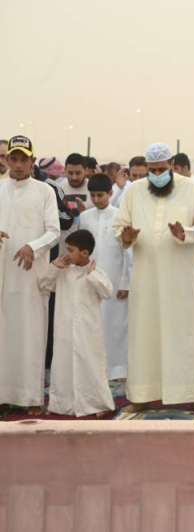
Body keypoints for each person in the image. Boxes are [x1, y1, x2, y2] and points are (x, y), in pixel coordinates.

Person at [113, 142, 194, 416]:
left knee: (184, 334)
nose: (157, 175)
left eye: (162, 169)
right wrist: (126, 237)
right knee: (144, 335)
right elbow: (118, 227)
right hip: (145, 277)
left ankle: (193, 396)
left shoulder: (191, 188)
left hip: (180, 278)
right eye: (152, 170)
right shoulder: (134, 191)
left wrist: (184, 233)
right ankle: (142, 395)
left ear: (171, 166)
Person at [0, 136, 60, 413]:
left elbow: (54, 231)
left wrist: (32, 247)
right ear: (7, 160)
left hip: (30, 273)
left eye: (24, 159)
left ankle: (31, 397)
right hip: (3, 273)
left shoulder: (44, 191)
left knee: (31, 333)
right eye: (13, 158)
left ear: (32, 161)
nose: (18, 164)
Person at [39, 229, 115, 417]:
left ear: (85, 253)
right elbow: (44, 284)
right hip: (64, 330)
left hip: (88, 331)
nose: (67, 254)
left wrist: (91, 275)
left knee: (91, 366)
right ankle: (62, 405)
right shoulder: (63, 272)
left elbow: (107, 292)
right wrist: (54, 267)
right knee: (63, 365)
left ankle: (97, 404)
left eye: (71, 250)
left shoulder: (96, 271)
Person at [79, 173, 131, 380]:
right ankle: (93, 370)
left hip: (115, 279)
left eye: (100, 195)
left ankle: (117, 370)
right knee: (92, 325)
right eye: (92, 195)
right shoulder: (85, 217)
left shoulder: (120, 217)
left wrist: (126, 282)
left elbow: (127, 251)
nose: (96, 199)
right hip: (90, 279)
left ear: (110, 193)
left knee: (116, 326)